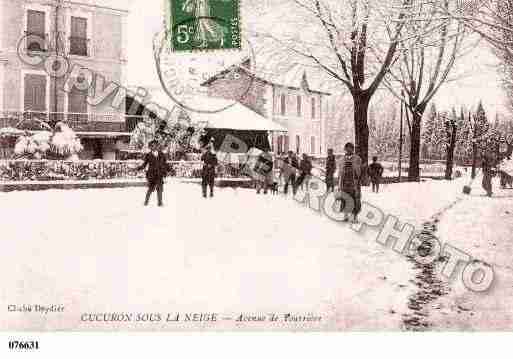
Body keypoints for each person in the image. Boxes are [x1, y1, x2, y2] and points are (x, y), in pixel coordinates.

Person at [137, 140, 169, 207]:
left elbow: (165, 164)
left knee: (160, 189)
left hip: (159, 174)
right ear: (150, 147)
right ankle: (146, 202)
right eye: (152, 146)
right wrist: (138, 168)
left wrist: (168, 170)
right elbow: (144, 164)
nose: (154, 147)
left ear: (157, 146)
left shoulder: (161, 154)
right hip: (152, 175)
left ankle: (160, 203)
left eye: (155, 145)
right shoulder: (148, 155)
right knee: (150, 189)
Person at [337, 142, 362, 223]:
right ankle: (345, 215)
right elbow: (339, 173)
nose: (348, 150)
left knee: (355, 199)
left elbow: (359, 171)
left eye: (350, 148)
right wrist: (339, 184)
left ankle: (355, 217)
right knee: (345, 198)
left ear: (353, 149)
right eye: (346, 149)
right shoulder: (341, 159)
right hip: (344, 183)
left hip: (354, 183)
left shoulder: (357, 159)